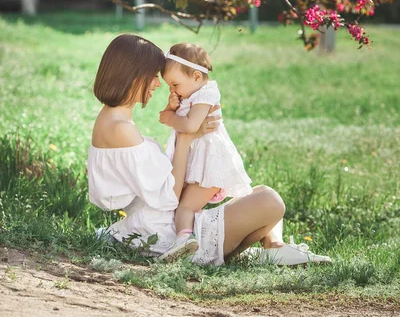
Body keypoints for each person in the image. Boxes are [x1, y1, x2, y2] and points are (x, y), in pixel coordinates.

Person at [87, 34, 332, 266]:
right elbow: (169, 196)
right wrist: (187, 137)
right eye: (152, 76)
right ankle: (268, 250)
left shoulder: (112, 120)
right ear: (133, 76)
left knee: (262, 192)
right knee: (271, 202)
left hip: (161, 221)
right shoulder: (120, 128)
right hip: (167, 233)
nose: (157, 84)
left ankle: (274, 248)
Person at [158, 43, 253, 261]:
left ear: (196, 77)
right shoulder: (189, 92)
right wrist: (171, 107)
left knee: (185, 207)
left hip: (210, 164)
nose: (172, 90)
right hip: (195, 162)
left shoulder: (207, 93)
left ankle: (184, 240)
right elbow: (171, 118)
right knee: (184, 205)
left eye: (175, 84)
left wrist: (171, 117)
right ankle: (194, 238)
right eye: (168, 86)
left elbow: (191, 126)